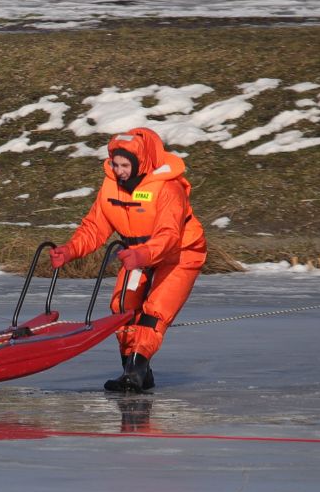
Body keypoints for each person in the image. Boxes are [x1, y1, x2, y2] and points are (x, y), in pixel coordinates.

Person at [49, 127, 207, 392]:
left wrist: (142, 254)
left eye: (125, 165)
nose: (119, 170)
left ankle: (134, 372)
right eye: (115, 163)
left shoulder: (168, 188)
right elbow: (93, 227)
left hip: (180, 252)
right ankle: (136, 370)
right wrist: (69, 250)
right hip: (137, 255)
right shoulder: (111, 185)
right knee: (123, 308)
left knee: (155, 312)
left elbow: (169, 235)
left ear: (141, 163)